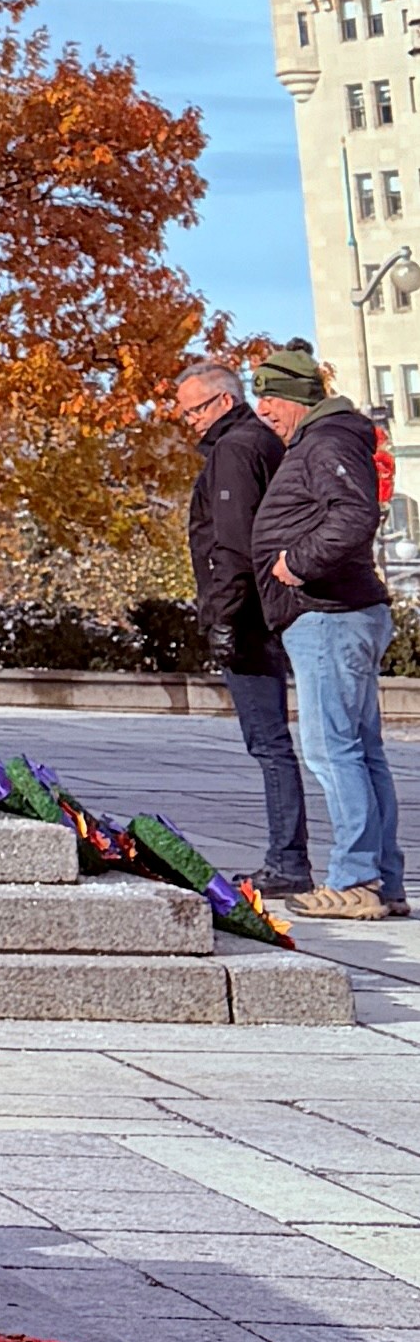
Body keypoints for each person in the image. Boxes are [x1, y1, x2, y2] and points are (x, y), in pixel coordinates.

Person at [247, 343, 406, 921]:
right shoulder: (327, 438)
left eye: (270, 398)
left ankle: (356, 880)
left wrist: (296, 563)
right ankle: (382, 882)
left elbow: (353, 516)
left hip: (329, 613)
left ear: (297, 399)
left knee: (333, 750)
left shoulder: (329, 439)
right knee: (360, 752)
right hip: (336, 613)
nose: (263, 409)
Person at [172, 350, 313, 898]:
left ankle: (287, 861)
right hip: (267, 607)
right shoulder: (260, 443)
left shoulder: (235, 450)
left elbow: (231, 543)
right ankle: (288, 856)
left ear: (223, 400)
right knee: (277, 742)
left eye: (193, 411)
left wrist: (223, 620)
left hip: (251, 614)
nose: (190, 423)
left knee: (269, 743)